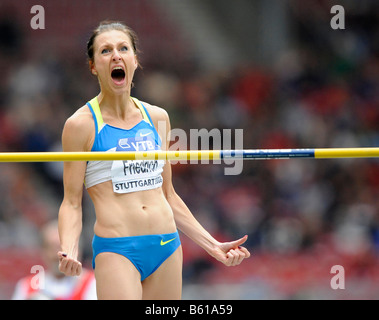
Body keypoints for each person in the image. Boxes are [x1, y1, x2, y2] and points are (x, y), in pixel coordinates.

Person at [58, 20, 250, 300]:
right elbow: (72, 202)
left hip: (166, 246)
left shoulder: (157, 117)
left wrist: (212, 245)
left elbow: (168, 195)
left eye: (123, 48)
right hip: (118, 249)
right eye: (105, 51)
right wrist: (69, 249)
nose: (116, 56)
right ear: (93, 66)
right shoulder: (81, 125)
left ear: (135, 60)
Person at [12, 220, 96, 300]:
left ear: (77, 250)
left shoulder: (92, 284)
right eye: (52, 248)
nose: (58, 255)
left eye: (63, 248)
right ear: (43, 251)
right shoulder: (26, 287)